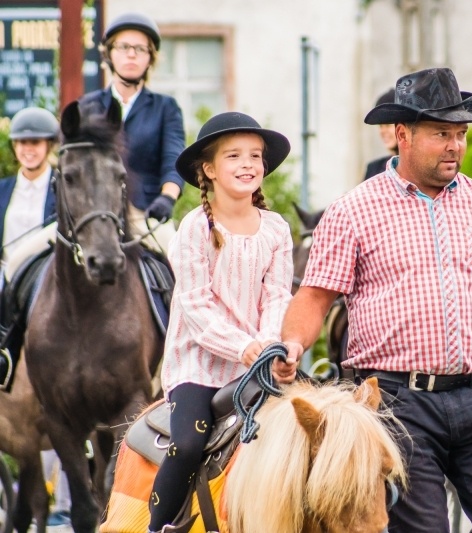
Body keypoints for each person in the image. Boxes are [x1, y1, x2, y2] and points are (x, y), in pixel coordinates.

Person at [276, 67, 472, 533]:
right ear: (402, 135)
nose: (455, 145)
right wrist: (292, 344)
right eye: (441, 133)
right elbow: (315, 297)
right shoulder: (353, 210)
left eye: (461, 133)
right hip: (395, 405)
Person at [146, 112, 292, 533]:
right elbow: (195, 307)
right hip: (200, 365)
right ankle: (158, 526)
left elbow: (278, 296)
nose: (248, 164)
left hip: (257, 363)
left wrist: (267, 346)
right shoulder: (193, 229)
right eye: (234, 156)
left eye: (255, 156)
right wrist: (243, 347)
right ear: (208, 170)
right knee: (189, 443)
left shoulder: (277, 230)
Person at [81, 12, 185, 254]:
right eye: (124, 46)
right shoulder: (87, 106)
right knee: (21, 260)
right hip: (91, 213)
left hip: (143, 213)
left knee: (180, 264)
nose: (131, 54)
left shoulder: (165, 108)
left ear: (150, 58)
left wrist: (167, 198)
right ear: (108, 53)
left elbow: (174, 160)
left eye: (140, 49)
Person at [0, 107, 59, 391]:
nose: (28, 149)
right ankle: (4, 359)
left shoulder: (61, 187)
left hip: (44, 274)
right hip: (5, 270)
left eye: (35, 142)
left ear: (48, 145)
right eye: (22, 143)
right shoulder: (4, 188)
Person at [363, 87, 398, 180]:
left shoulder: (416, 168)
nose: (382, 131)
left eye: (387, 125)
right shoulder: (373, 168)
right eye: (380, 126)